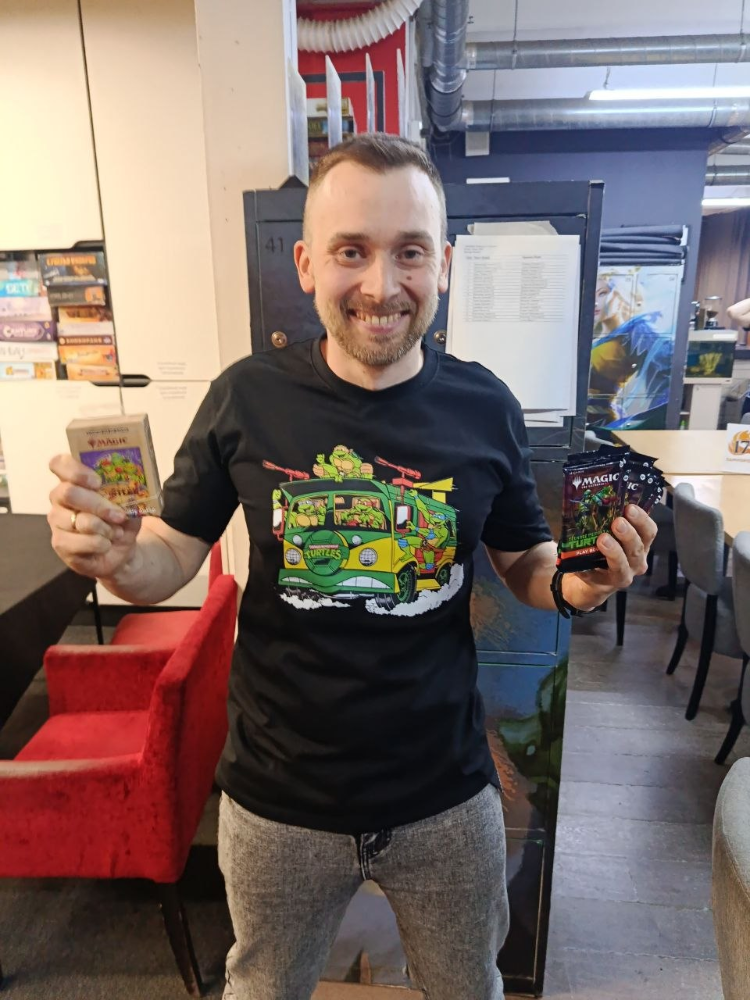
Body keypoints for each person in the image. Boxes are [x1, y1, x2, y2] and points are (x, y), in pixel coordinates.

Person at [47, 134, 657, 1000]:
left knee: (468, 988)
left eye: (409, 252)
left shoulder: (485, 406)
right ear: (306, 264)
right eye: (351, 251)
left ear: (442, 266)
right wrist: (116, 559)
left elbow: (524, 559)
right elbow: (169, 553)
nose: (380, 285)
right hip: (278, 798)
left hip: (444, 792)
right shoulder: (245, 398)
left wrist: (578, 583)